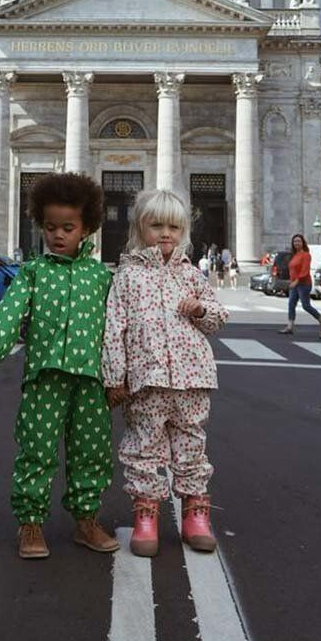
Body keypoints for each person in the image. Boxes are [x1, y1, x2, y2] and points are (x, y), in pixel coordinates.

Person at [0, 173, 118, 561]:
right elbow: (8, 313)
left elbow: (118, 330)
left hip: (91, 381)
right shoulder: (33, 272)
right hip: (44, 378)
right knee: (36, 451)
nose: (58, 235)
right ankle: (31, 522)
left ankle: (87, 520)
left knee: (92, 453)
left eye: (68, 227)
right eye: (51, 227)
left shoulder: (102, 277)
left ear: (87, 228)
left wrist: (121, 376)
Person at [102, 189, 228, 557]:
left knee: (192, 445)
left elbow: (218, 318)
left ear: (185, 230)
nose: (165, 233)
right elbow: (115, 327)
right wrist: (114, 377)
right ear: (140, 228)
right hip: (147, 380)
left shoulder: (192, 275)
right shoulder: (127, 276)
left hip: (193, 379)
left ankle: (196, 514)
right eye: (156, 225)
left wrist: (200, 310)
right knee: (144, 448)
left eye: (174, 226)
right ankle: (146, 516)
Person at [279, 233, 321, 337]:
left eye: (299, 241)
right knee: (291, 304)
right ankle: (290, 326)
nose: (296, 243)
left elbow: (304, 271)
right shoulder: (294, 255)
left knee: (306, 305)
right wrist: (291, 281)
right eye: (295, 241)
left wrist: (296, 281)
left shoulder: (306, 255)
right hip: (294, 284)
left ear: (303, 243)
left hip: (303, 284)